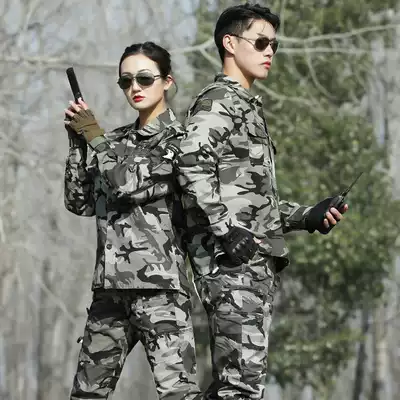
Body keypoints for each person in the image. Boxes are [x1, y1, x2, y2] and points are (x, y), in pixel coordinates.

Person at [177, 3, 348, 400]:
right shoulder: (221, 100)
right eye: (260, 42)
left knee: (236, 385)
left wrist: (308, 215)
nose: (269, 51)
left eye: (274, 44)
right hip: (231, 265)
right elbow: (190, 161)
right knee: (240, 386)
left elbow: (252, 202)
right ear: (230, 43)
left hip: (251, 266)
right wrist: (225, 229)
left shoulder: (245, 105)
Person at [63, 41, 202, 400]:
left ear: (167, 81)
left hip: (160, 292)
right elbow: (79, 202)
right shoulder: (113, 142)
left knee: (179, 395)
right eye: (126, 81)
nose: (134, 88)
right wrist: (77, 145)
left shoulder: (182, 142)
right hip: (109, 293)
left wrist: (94, 138)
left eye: (144, 78)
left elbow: (127, 183)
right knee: (86, 395)